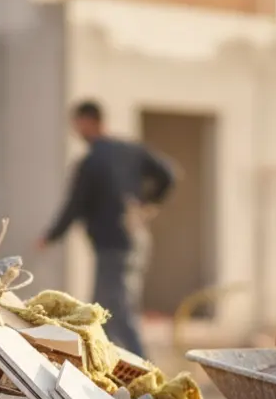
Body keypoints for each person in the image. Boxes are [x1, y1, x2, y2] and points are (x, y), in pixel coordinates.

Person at [35, 100, 175, 359]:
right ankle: (110, 365)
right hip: (134, 239)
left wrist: (51, 236)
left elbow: (75, 205)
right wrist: (148, 203)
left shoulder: (93, 162)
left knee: (117, 311)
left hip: (113, 246)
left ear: (88, 122)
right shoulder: (130, 150)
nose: (76, 131)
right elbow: (168, 174)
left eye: (77, 125)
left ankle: (146, 371)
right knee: (104, 312)